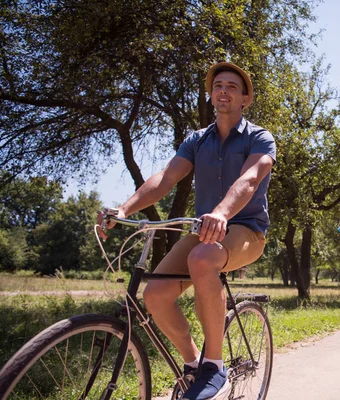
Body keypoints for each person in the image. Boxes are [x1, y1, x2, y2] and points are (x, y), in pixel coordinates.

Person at [98, 62, 276, 400]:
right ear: (211, 96)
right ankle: (194, 364)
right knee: (155, 295)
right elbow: (165, 178)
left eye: (232, 87)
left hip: (245, 231)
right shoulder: (197, 140)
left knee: (203, 257)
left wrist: (222, 213)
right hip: (205, 231)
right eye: (218, 85)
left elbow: (250, 178)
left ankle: (214, 363)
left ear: (245, 99)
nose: (223, 90)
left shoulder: (259, 137)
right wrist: (123, 209)